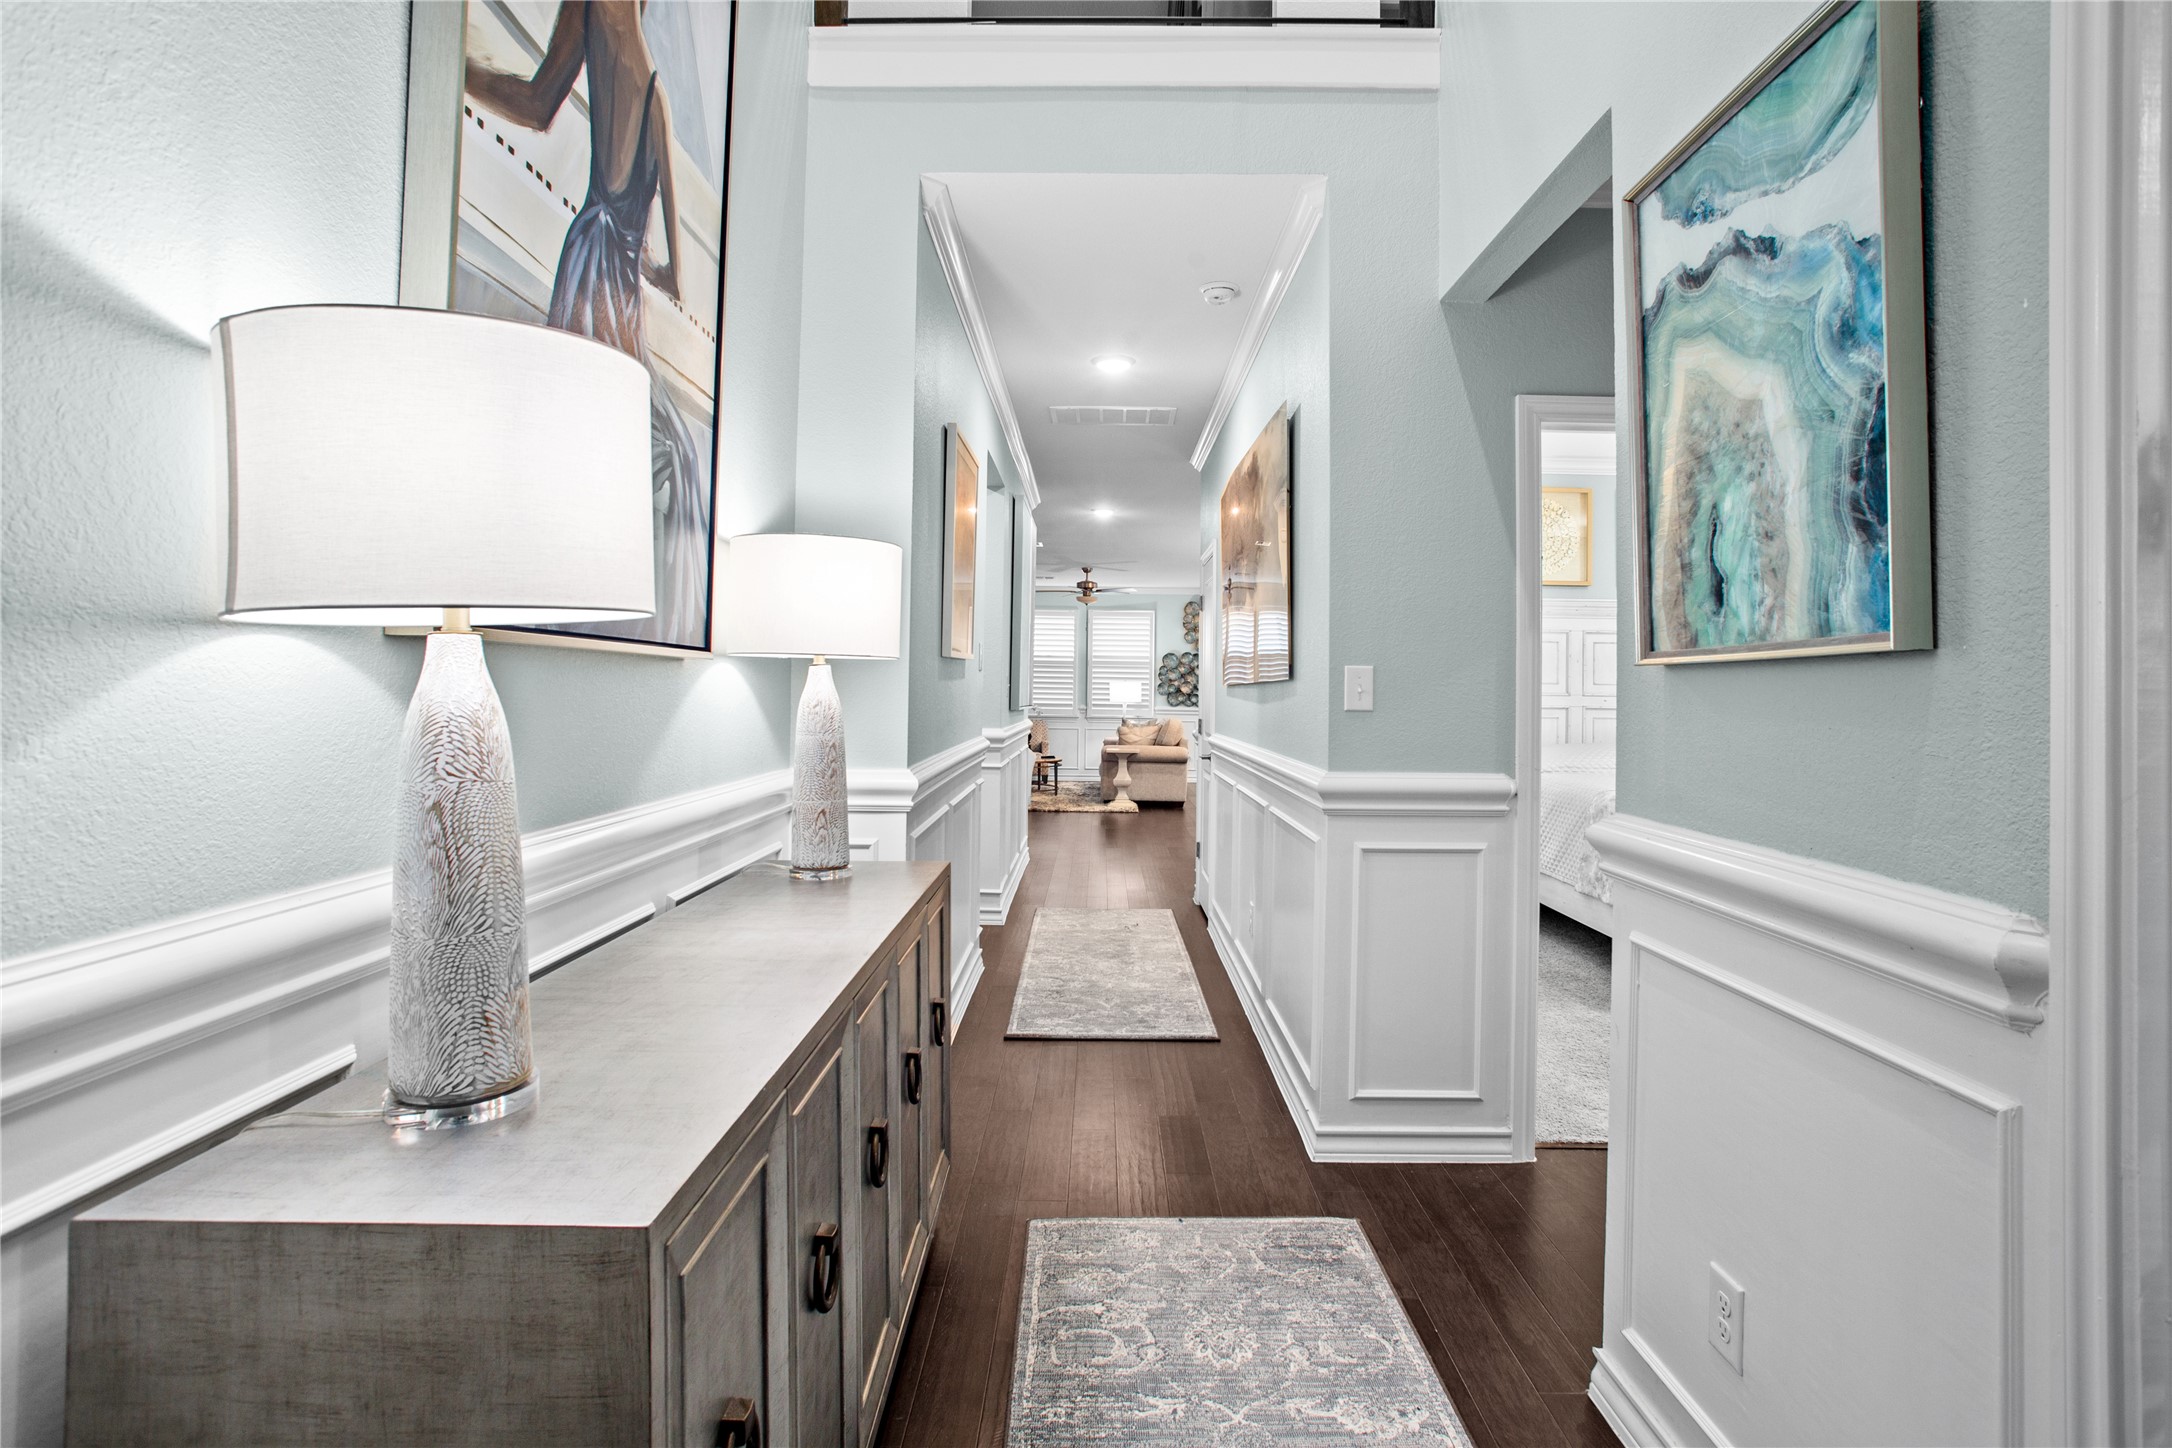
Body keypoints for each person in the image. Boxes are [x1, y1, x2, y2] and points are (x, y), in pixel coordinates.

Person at [467, 1, 710, 646]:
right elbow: (674, 278)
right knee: (639, 451)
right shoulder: (658, 93)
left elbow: (540, 102)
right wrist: (640, 249)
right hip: (625, 289)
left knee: (572, 447)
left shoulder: (593, 10)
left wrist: (458, 72)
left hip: (591, 263)